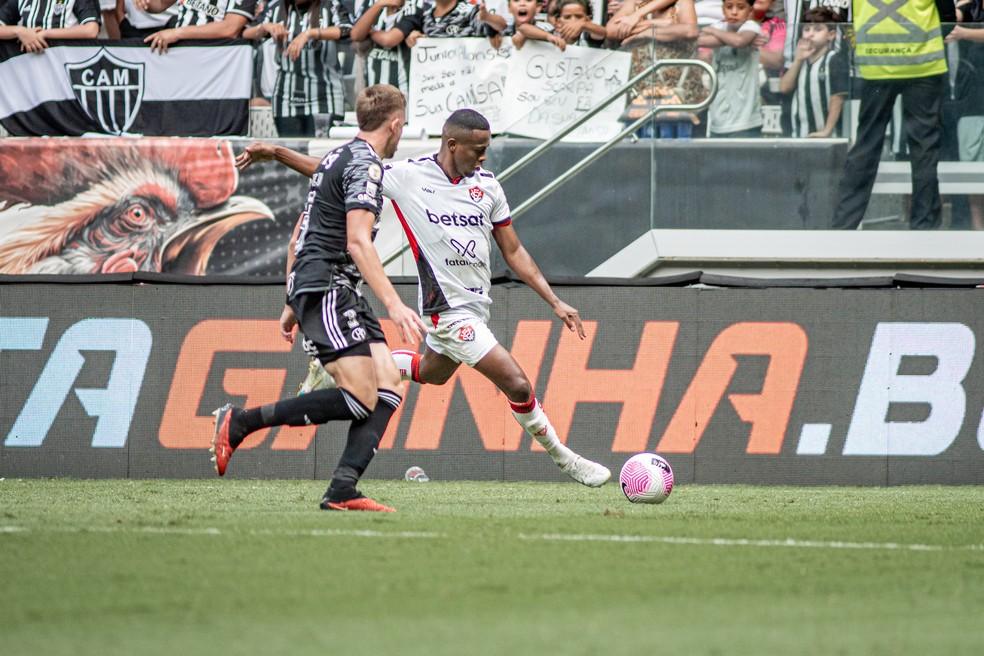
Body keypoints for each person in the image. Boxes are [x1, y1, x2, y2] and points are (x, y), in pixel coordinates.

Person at [213, 84, 428, 512]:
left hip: (330, 287)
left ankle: (343, 489)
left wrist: (276, 153)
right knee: (361, 397)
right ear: (396, 123)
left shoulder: (341, 155)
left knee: (388, 387)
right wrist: (395, 304)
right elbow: (357, 243)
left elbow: (301, 232)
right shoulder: (364, 166)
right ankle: (239, 423)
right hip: (329, 285)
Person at [384, 110, 612, 488]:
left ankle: (358, 362)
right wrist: (280, 155)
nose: (483, 157)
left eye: (486, 149)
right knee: (519, 385)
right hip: (447, 311)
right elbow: (343, 172)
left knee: (432, 373)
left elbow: (514, 250)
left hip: (475, 307)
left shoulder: (487, 186)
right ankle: (565, 458)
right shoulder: (409, 176)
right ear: (452, 145)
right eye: (477, 150)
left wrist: (554, 301)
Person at [830, 0, 956, 230]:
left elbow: (845, 15)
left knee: (866, 146)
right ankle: (924, 228)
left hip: (876, 65)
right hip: (923, 64)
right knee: (924, 149)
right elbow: (948, 17)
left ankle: (843, 226)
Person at [254, 0, 352, 137]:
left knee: (322, 152)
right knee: (290, 152)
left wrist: (310, 34)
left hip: (325, 96)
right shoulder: (276, 6)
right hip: (286, 96)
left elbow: (348, 29)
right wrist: (265, 27)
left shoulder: (330, 4)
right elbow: (246, 32)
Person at [698, 0, 763, 137]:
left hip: (746, 122)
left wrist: (714, 32)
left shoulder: (751, 26)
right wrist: (733, 38)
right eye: (729, 7)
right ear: (723, 9)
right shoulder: (718, 25)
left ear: (750, 11)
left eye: (740, 7)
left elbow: (738, 41)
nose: (734, 12)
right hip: (717, 121)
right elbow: (700, 40)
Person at [779, 7, 847, 137]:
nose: (810, 34)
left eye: (817, 29)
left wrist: (827, 130)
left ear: (831, 35)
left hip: (827, 136)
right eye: (806, 29)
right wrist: (798, 60)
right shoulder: (799, 61)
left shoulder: (834, 59)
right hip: (799, 134)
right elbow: (784, 88)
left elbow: (837, 98)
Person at [947, 0, 984, 229]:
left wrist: (963, 33)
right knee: (971, 170)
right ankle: (977, 231)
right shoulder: (971, 7)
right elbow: (951, 17)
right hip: (970, 101)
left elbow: (958, 29)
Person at [350, 0, 425, 94]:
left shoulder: (412, 10)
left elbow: (389, 40)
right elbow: (356, 35)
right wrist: (379, 4)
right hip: (373, 89)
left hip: (401, 90)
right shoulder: (375, 8)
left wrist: (370, 32)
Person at [138, 0, 256, 53]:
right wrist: (147, 3)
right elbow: (160, 4)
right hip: (178, 51)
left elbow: (230, 28)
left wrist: (176, 33)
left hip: (214, 55)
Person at [0, 0, 100, 52]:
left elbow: (91, 30)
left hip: (68, 64)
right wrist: (19, 31)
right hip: (29, 68)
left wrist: (45, 33)